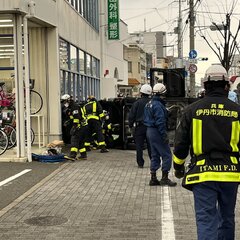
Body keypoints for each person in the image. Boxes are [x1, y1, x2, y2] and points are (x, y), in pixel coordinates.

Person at [173, 63, 240, 240]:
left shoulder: (191, 111)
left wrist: (178, 167)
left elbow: (180, 144)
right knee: (227, 218)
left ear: (205, 85)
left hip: (203, 174)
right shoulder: (237, 112)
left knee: (206, 219)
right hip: (230, 174)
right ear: (227, 85)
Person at [144, 83, 177, 186]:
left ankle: (153, 177)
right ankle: (164, 178)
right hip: (157, 131)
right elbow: (160, 121)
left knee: (155, 154)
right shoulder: (158, 105)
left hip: (149, 131)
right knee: (167, 154)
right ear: (162, 93)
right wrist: (164, 135)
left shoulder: (149, 103)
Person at [128, 84, 152, 168]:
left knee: (139, 146)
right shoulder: (152, 102)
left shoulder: (137, 103)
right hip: (150, 127)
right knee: (151, 145)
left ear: (141, 92)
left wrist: (130, 125)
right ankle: (153, 161)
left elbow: (131, 115)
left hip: (139, 127)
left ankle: (140, 163)